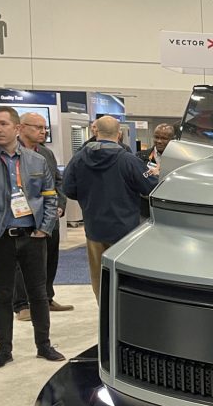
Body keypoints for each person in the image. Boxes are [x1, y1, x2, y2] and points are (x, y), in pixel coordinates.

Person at [0, 106, 65, 369]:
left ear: (16, 128)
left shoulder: (37, 160)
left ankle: (44, 346)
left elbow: (49, 195)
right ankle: (4, 350)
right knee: (3, 296)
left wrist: (44, 228)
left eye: (2, 124)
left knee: (39, 295)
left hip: (32, 237)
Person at [62, 116, 157, 303]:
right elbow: (150, 187)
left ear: (95, 132)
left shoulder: (79, 158)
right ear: (119, 133)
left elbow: (68, 189)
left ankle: (104, 313)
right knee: (126, 276)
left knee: (98, 277)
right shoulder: (129, 160)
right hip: (125, 230)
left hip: (93, 228)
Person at [13, 112, 74, 320]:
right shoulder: (9, 154)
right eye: (38, 127)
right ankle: (22, 305)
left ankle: (46, 298)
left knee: (50, 258)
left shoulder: (46, 154)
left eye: (44, 128)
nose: (43, 131)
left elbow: (59, 182)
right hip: (21, 218)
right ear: (20, 128)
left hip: (49, 217)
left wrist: (59, 205)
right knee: (21, 263)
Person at [135, 123, 175, 218]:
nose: (159, 141)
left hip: (168, 208)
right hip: (145, 209)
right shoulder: (140, 156)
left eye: (164, 138)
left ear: (172, 140)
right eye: (156, 137)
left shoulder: (177, 160)